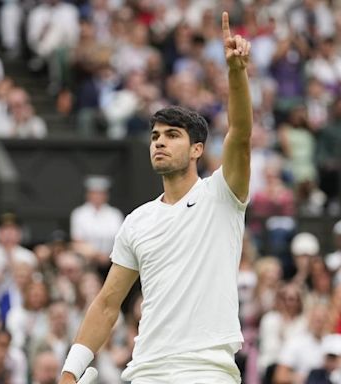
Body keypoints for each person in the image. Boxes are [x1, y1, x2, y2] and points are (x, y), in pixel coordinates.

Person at [59, 12, 252, 384]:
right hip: (146, 371)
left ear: (198, 149)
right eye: (154, 136)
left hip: (206, 372)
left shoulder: (222, 195)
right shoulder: (137, 221)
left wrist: (235, 73)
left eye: (172, 135)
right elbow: (106, 304)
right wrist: (70, 373)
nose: (160, 141)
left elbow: (241, 134)